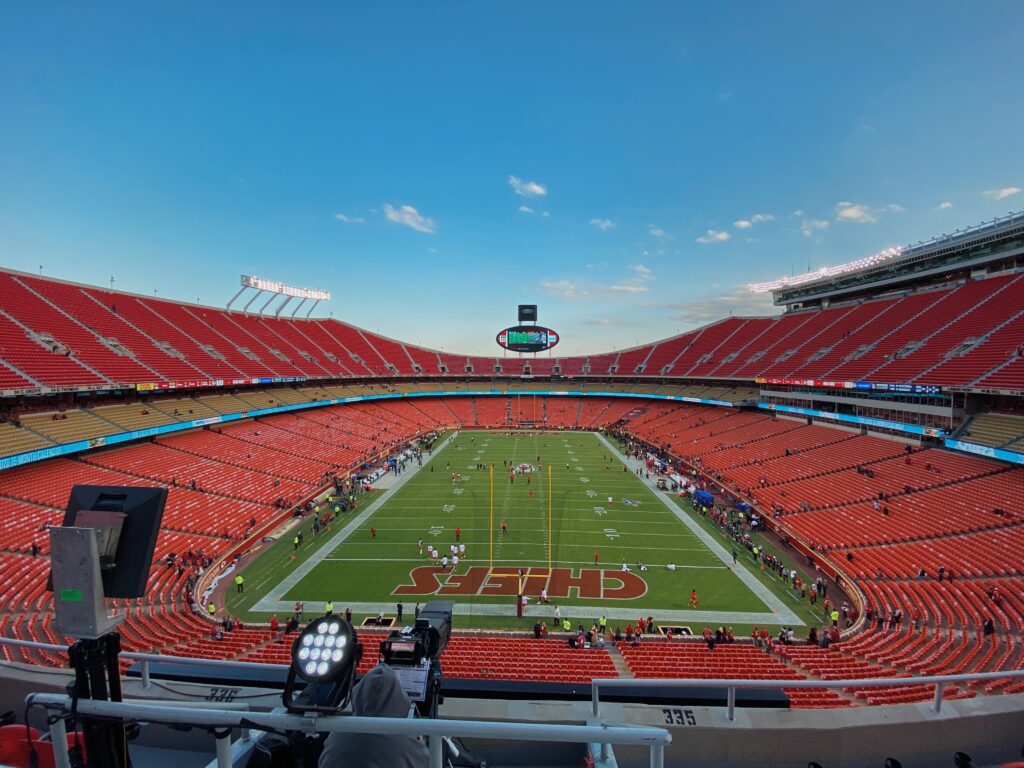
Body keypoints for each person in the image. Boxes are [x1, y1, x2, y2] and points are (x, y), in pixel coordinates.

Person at [318, 664, 429, 768]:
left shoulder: (335, 737)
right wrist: (421, 745)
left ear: (359, 693)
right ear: (399, 699)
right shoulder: (408, 746)